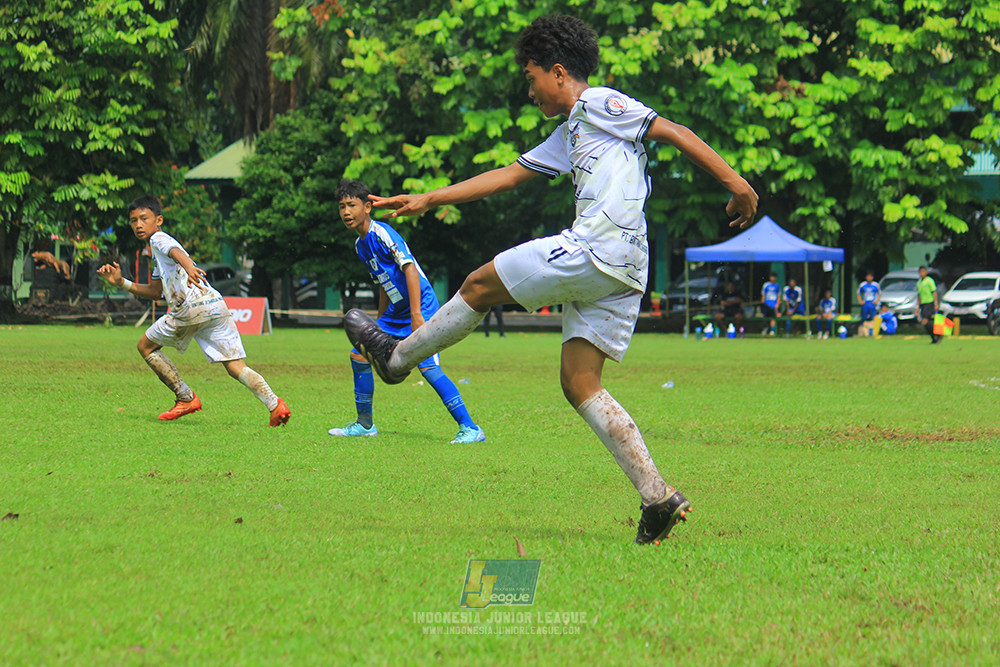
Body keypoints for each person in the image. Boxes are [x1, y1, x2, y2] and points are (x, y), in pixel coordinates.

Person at [344, 15, 758, 545]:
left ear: (558, 72)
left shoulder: (597, 103)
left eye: (531, 76)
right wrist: (429, 198)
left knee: (477, 285)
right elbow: (510, 175)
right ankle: (657, 496)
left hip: (596, 247)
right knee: (579, 382)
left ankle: (397, 359)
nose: (529, 88)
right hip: (627, 269)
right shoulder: (572, 130)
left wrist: (738, 184)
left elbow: (673, 131)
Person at [96, 196, 290, 426]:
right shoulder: (157, 255)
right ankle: (275, 404)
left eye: (144, 218)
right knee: (236, 366)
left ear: (158, 220)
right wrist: (121, 283)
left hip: (190, 309)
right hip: (215, 304)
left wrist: (189, 267)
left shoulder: (158, 238)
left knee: (145, 347)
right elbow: (157, 291)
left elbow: (176, 251)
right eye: (133, 220)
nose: (138, 224)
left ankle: (185, 398)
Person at [328, 179, 486, 444]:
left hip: (420, 305)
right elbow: (381, 284)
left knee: (428, 367)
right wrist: (378, 323)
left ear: (368, 207)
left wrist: (416, 316)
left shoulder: (383, 233)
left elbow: (409, 270)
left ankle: (471, 429)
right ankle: (365, 425)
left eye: (352, 205)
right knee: (359, 354)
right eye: (342, 206)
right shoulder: (360, 245)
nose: (346, 212)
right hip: (395, 310)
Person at [916, 266, 940, 343]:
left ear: (926, 272)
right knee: (927, 322)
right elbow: (919, 295)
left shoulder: (930, 281)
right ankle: (935, 337)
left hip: (929, 303)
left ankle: (937, 335)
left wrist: (936, 303)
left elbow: (934, 292)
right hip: (923, 304)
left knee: (924, 321)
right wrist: (917, 306)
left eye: (923, 271)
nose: (922, 273)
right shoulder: (919, 283)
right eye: (920, 272)